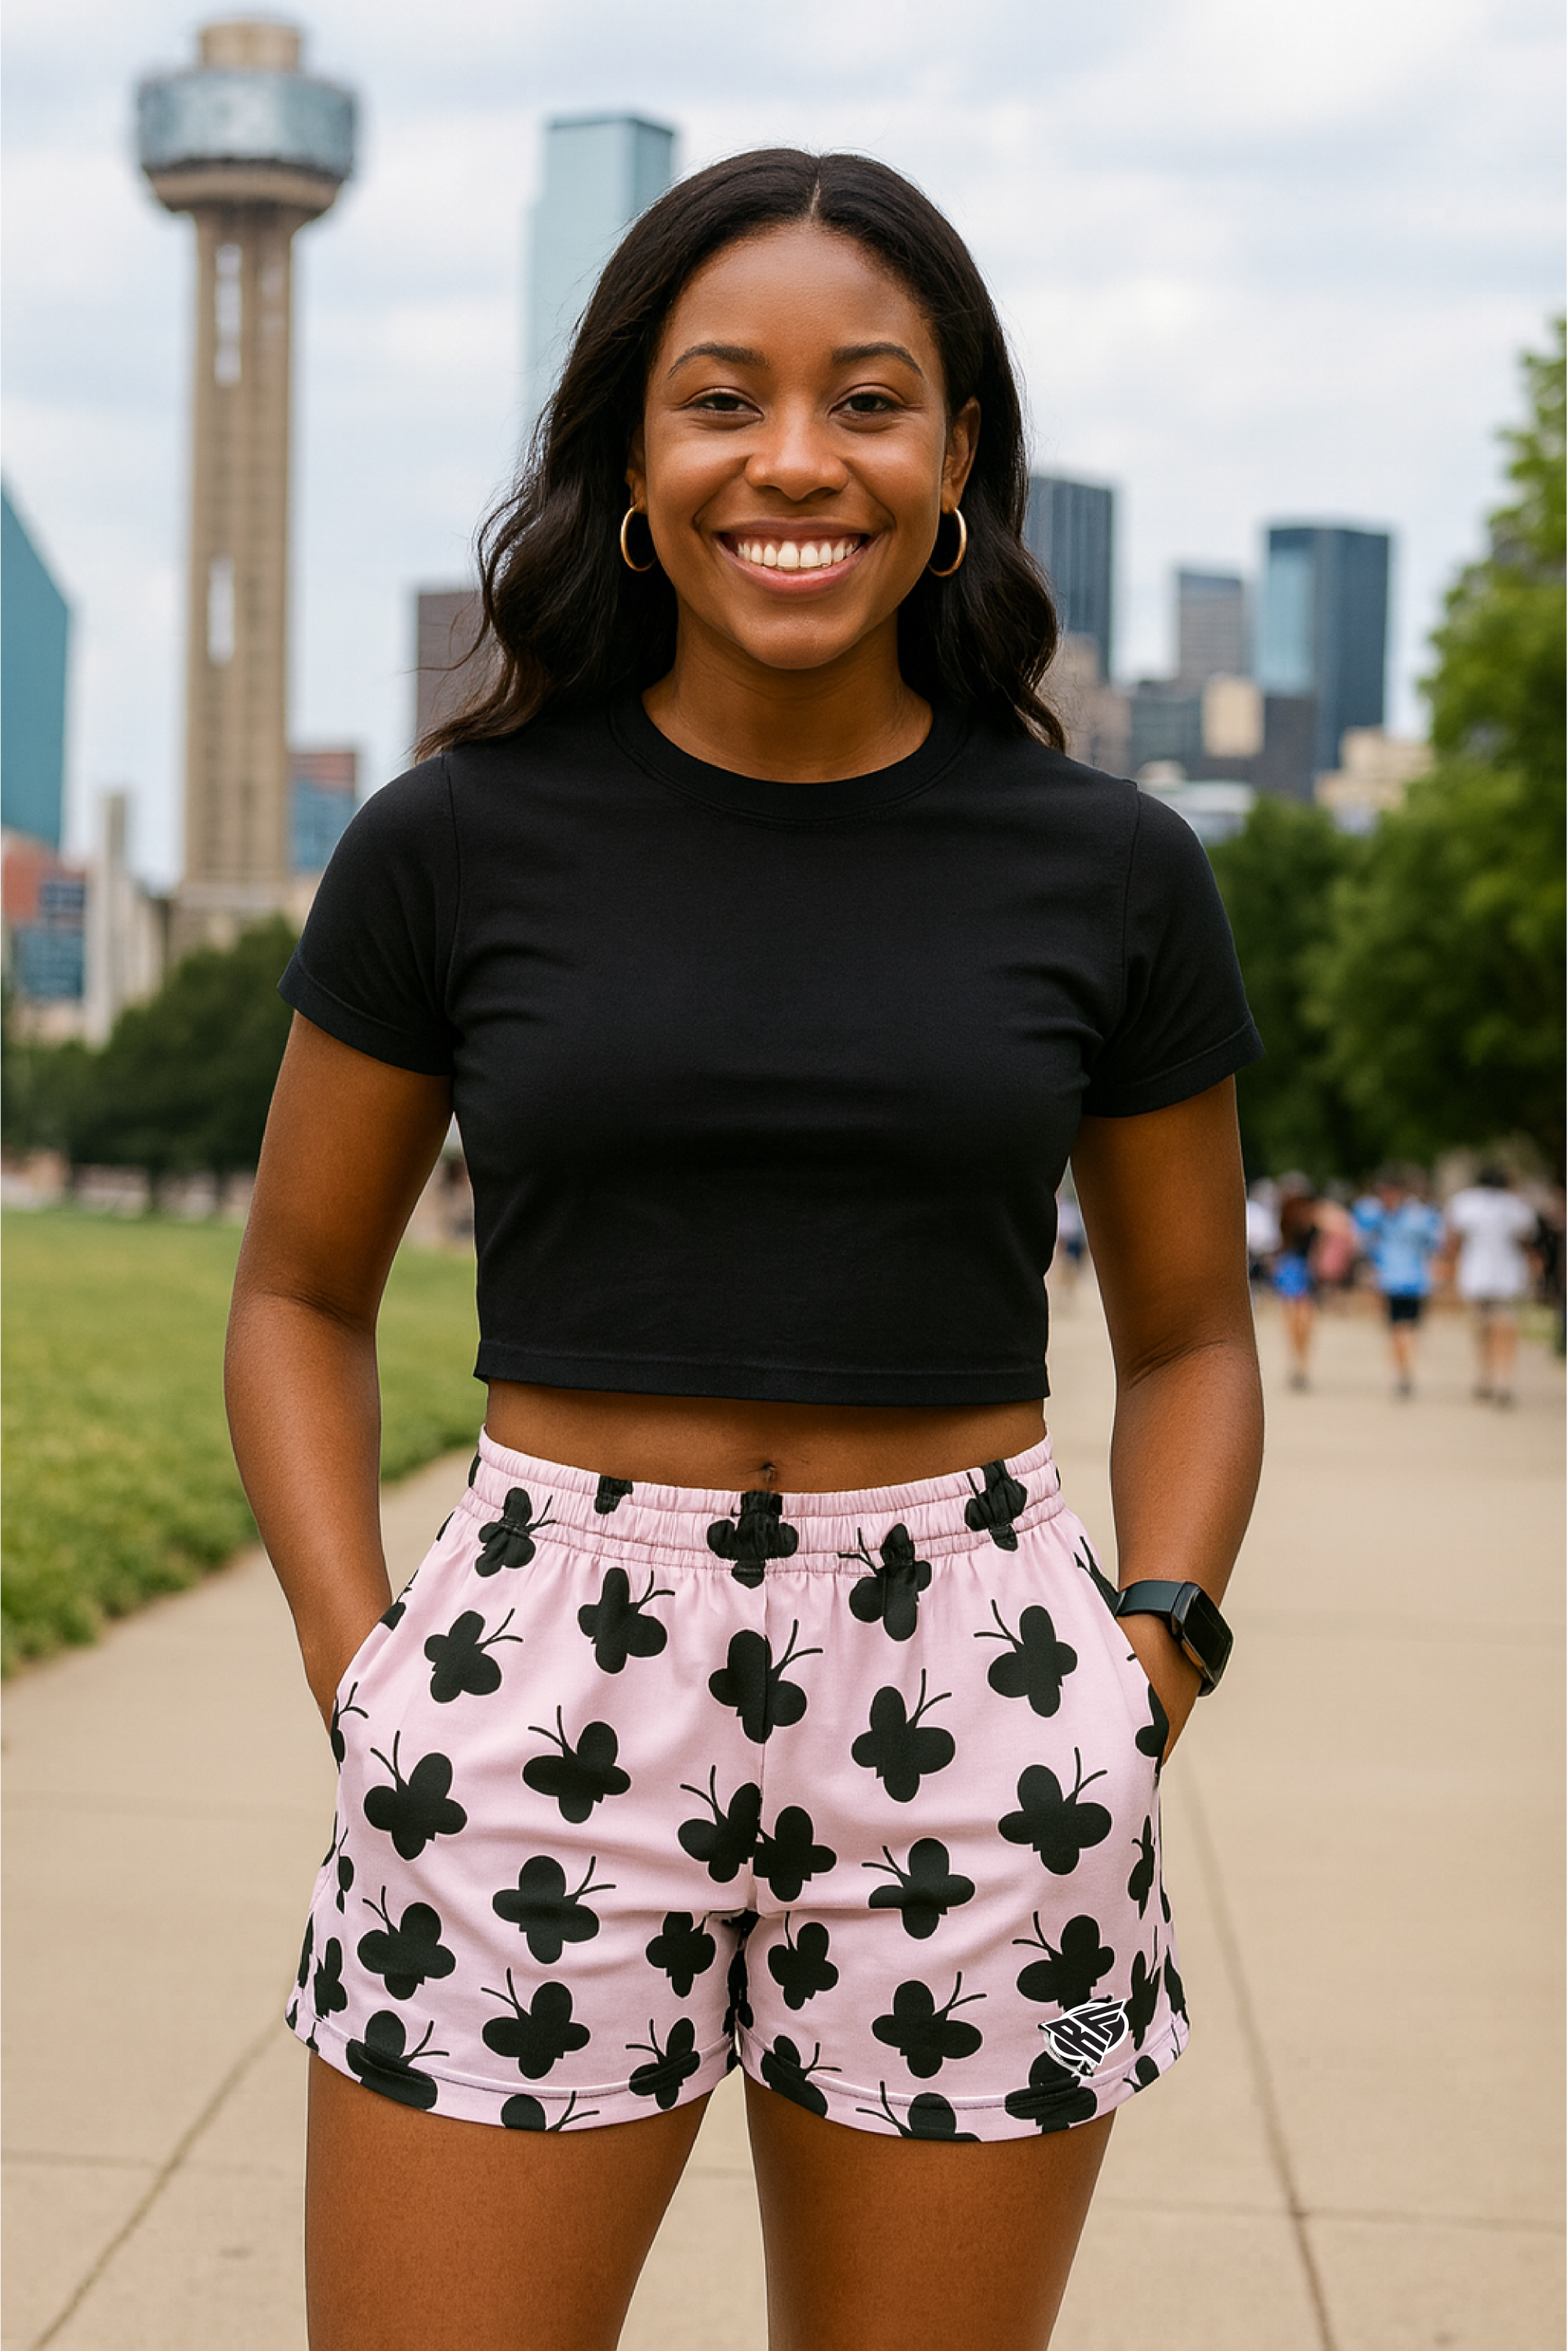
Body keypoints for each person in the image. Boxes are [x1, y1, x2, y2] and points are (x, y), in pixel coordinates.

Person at [227, 150, 1264, 2351]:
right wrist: (365, 1666)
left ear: (961, 454)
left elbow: (1189, 1332)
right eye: (722, 399)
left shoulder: (1114, 868)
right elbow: (301, 1290)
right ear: (629, 455)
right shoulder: (448, 841)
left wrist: (1145, 1652)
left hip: (981, 1689)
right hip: (533, 1676)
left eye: (869, 400)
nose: (796, 459)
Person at [1444, 1166, 1538, 1405]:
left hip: (1477, 1272)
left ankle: (1487, 1375)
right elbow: (1526, 1240)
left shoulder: (1466, 1203)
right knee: (1504, 1326)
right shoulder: (1516, 1205)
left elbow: (1454, 1239)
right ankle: (1502, 1378)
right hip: (1506, 1272)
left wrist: (1449, 1266)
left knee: (1484, 1326)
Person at [1353, 1168, 1444, 1398]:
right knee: (1400, 1328)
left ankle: (1404, 1371)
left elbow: (1434, 1246)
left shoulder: (1416, 1218)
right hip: (1392, 1281)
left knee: (1404, 1328)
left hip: (1411, 1280)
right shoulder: (1380, 1216)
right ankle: (1404, 1371)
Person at [1270, 1174, 1319, 1391]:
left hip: (1295, 1267)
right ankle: (1300, 1361)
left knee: (1296, 1317)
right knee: (1299, 1317)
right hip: (1297, 1267)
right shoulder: (1303, 1218)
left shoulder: (1289, 1216)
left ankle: (1299, 1361)